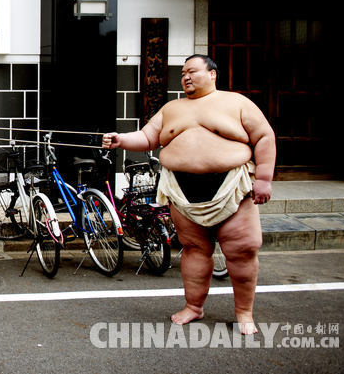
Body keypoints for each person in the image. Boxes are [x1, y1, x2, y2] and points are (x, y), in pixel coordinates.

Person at [102, 54, 275, 335]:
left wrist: (264, 178)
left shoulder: (237, 103)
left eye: (192, 71)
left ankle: (244, 312)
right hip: (181, 190)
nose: (186, 77)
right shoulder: (172, 108)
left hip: (231, 186)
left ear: (212, 74)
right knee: (194, 250)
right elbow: (148, 137)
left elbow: (264, 137)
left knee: (241, 250)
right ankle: (194, 306)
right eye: (183, 73)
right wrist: (121, 140)